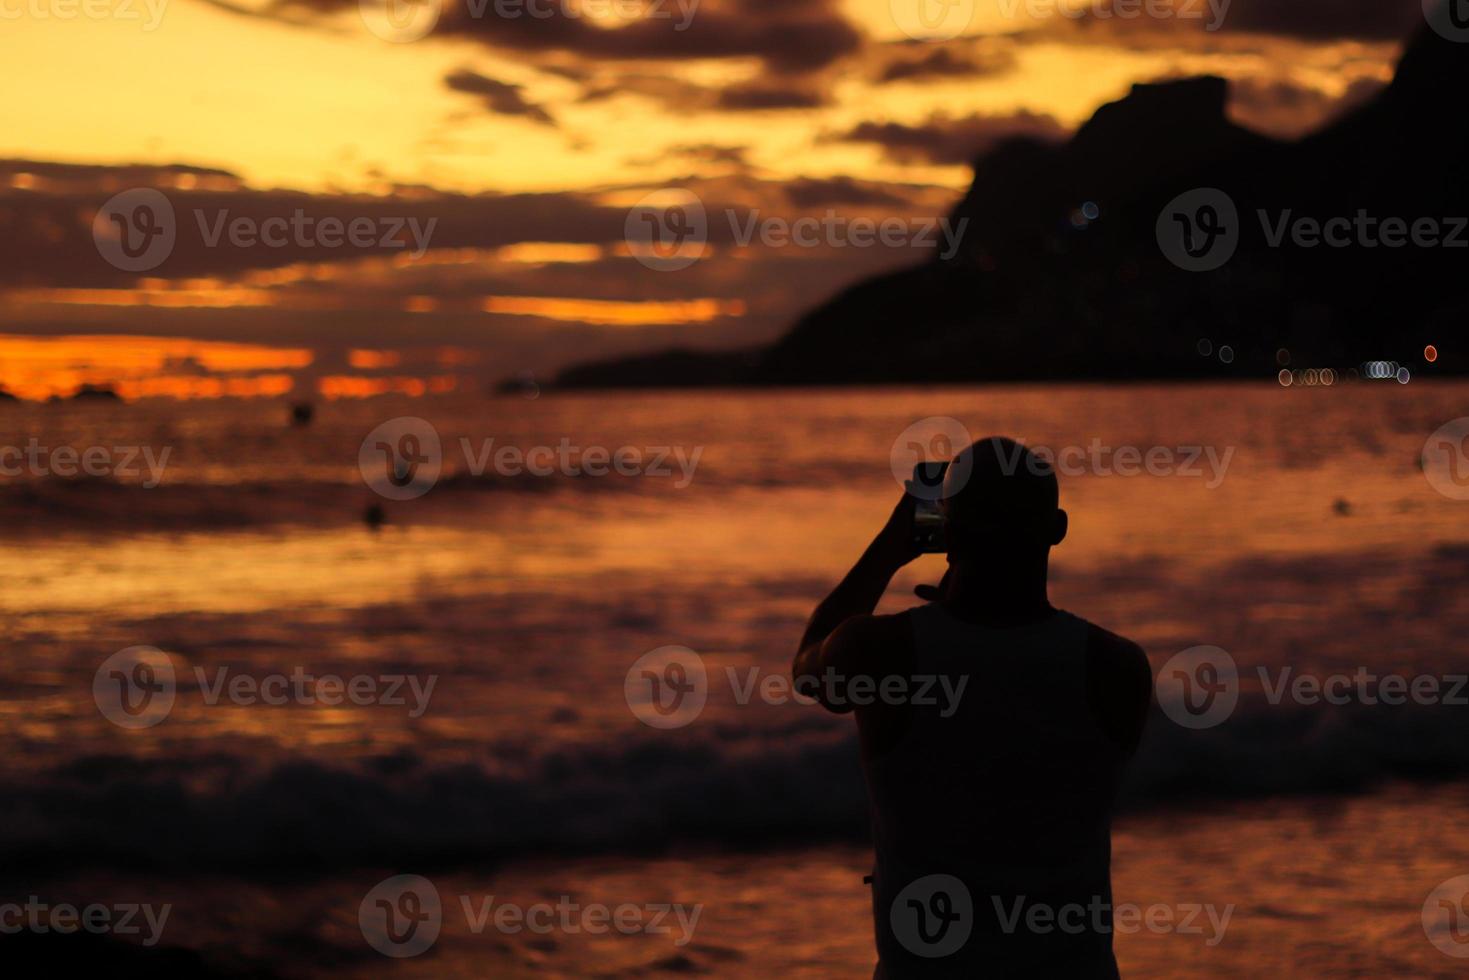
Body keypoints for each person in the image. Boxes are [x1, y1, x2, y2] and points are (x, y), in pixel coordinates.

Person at [791, 436, 1152, 978]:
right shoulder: (1118, 668)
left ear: (946, 532)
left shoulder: (880, 653)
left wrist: (890, 546)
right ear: (1057, 531)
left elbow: (806, 667)